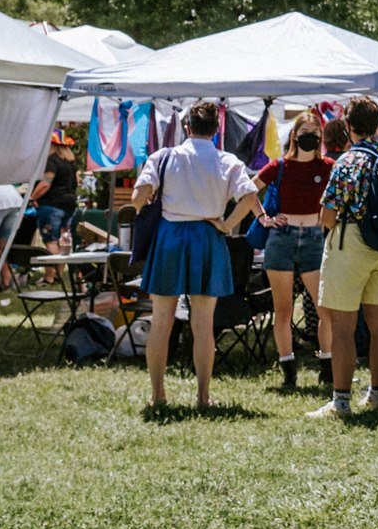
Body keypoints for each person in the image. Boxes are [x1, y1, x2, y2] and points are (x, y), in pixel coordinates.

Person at [130, 101, 260, 409]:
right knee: (203, 323)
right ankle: (203, 397)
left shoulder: (164, 157)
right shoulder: (227, 160)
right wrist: (227, 225)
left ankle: (158, 395)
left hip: (171, 237)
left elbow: (138, 198)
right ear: (217, 130)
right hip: (208, 237)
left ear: (187, 127)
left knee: (162, 321)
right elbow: (251, 196)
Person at [310, 96, 378, 416]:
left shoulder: (348, 161)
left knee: (342, 326)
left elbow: (327, 215)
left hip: (351, 243)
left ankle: (341, 401)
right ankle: (376, 395)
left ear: (349, 127)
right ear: (377, 126)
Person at [253, 110, 335, 390]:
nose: (310, 138)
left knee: (325, 308)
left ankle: (327, 366)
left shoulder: (327, 167)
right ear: (294, 136)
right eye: (305, 134)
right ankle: (289, 371)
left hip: (314, 237)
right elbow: (248, 189)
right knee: (284, 309)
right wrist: (263, 217)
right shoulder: (279, 166)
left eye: (315, 134)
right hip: (282, 238)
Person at [30, 131, 82, 253]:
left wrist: (32, 197)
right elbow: (77, 181)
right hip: (69, 205)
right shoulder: (71, 163)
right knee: (64, 241)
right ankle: (59, 271)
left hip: (51, 205)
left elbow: (45, 183)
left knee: (51, 241)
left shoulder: (52, 161)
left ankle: (51, 272)